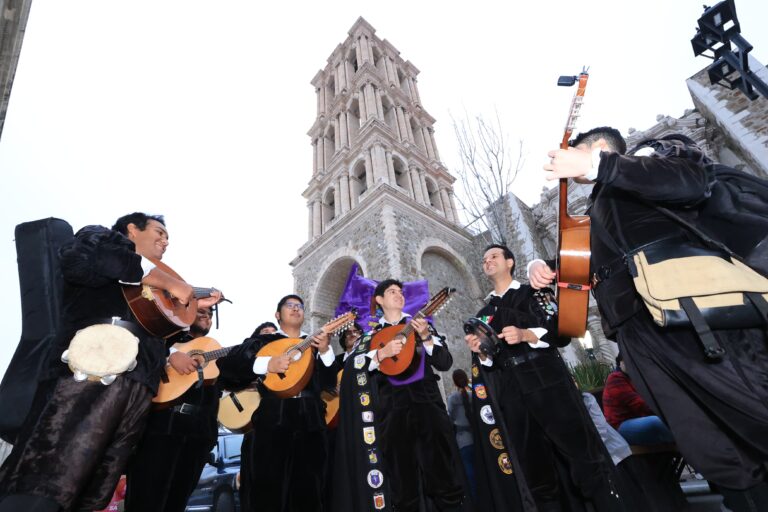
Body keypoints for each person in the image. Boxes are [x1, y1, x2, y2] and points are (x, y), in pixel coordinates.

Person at [535, 127, 768, 511]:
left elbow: (692, 181)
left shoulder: (652, 156)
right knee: (707, 443)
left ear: (598, 148)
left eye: (577, 151)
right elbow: (600, 259)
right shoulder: (600, 203)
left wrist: (599, 165)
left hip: (693, 314)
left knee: (751, 415)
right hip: (638, 333)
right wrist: (546, 268)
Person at [0, 212, 220, 512]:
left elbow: (160, 336)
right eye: (158, 231)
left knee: (95, 485)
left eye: (167, 237)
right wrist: (168, 280)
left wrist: (190, 304)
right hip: (90, 372)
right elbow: (84, 259)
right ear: (132, 228)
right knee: (50, 474)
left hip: (137, 387)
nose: (165, 240)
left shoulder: (151, 289)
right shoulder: (102, 237)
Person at [464, 244, 622, 512]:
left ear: (510, 262)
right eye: (484, 260)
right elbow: (490, 364)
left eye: (493, 256)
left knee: (585, 460)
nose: (487, 262)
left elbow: (561, 333)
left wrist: (526, 334)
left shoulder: (533, 292)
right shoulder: (482, 315)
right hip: (512, 394)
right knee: (536, 473)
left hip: (548, 382)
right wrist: (482, 353)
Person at [333, 279, 467, 512]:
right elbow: (355, 371)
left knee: (443, 474)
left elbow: (444, 362)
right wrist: (381, 354)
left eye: (401, 291)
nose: (399, 295)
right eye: (392, 291)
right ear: (379, 300)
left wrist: (425, 337)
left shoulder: (422, 324)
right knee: (403, 484)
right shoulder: (370, 336)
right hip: (392, 415)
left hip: (428, 407)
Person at [216, 294, 334, 512]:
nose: (296, 308)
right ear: (278, 315)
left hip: (312, 423)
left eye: (299, 306)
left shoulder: (316, 344)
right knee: (268, 491)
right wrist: (267, 363)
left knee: (311, 491)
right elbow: (230, 367)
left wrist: (326, 351)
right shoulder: (264, 342)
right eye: (289, 305)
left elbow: (329, 384)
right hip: (273, 419)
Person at [124, 306, 224, 512]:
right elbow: (135, 343)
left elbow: (240, 372)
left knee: (177, 502)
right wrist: (170, 356)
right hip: (160, 429)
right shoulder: (165, 338)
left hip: (198, 435)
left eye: (211, 314)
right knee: (146, 500)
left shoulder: (215, 353)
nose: (207, 316)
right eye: (202, 311)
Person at [602, 354, 674, 446]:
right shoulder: (615, 378)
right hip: (620, 425)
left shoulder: (634, 377)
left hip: (637, 418)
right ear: (620, 363)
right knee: (656, 422)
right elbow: (639, 404)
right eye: (626, 361)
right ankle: (684, 445)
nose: (630, 364)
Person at [446, 369, 476, 500]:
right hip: (477, 438)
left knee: (469, 474)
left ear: (454, 382)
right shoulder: (473, 395)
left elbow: (450, 417)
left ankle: (475, 500)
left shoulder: (453, 398)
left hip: (463, 440)